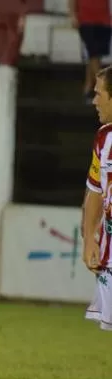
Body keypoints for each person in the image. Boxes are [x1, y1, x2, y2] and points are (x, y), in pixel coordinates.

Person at [83, 67, 112, 334]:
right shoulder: (104, 139)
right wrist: (90, 238)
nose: (94, 101)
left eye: (98, 94)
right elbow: (94, 192)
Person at [68, 0, 112, 102]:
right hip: (85, 19)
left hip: (104, 20)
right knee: (93, 51)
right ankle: (104, 89)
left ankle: (88, 88)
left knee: (96, 55)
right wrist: (72, 14)